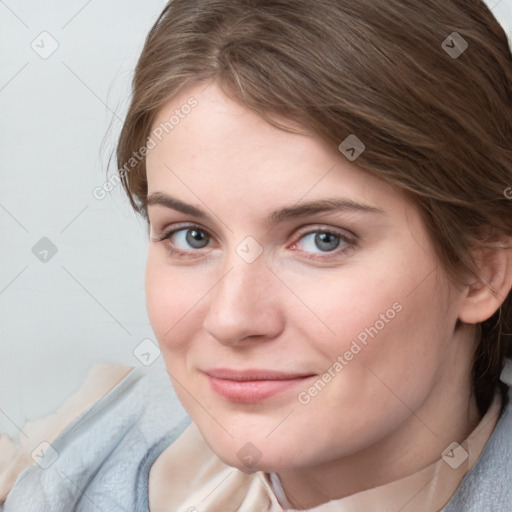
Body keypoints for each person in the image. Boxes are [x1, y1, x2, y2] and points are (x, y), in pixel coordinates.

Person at [2, 0, 512, 510]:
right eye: (191, 236)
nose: (231, 320)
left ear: (481, 268)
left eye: (322, 240)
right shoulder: (68, 461)